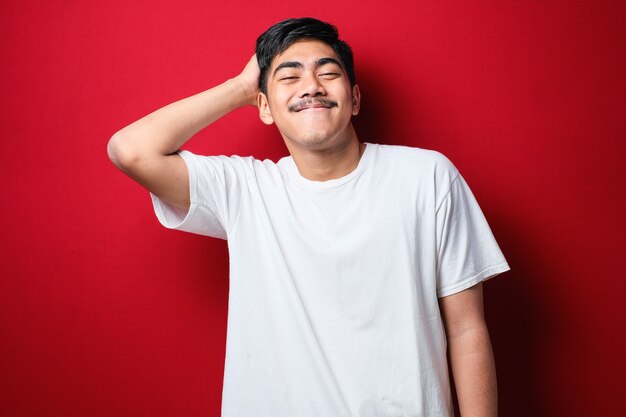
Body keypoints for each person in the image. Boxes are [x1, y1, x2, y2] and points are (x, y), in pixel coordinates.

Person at [108, 17, 509, 417]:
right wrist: (242, 87)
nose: (312, 86)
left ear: (355, 98)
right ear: (264, 106)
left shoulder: (427, 177)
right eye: (289, 77)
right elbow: (131, 151)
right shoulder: (246, 190)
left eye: (328, 73)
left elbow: (467, 328)